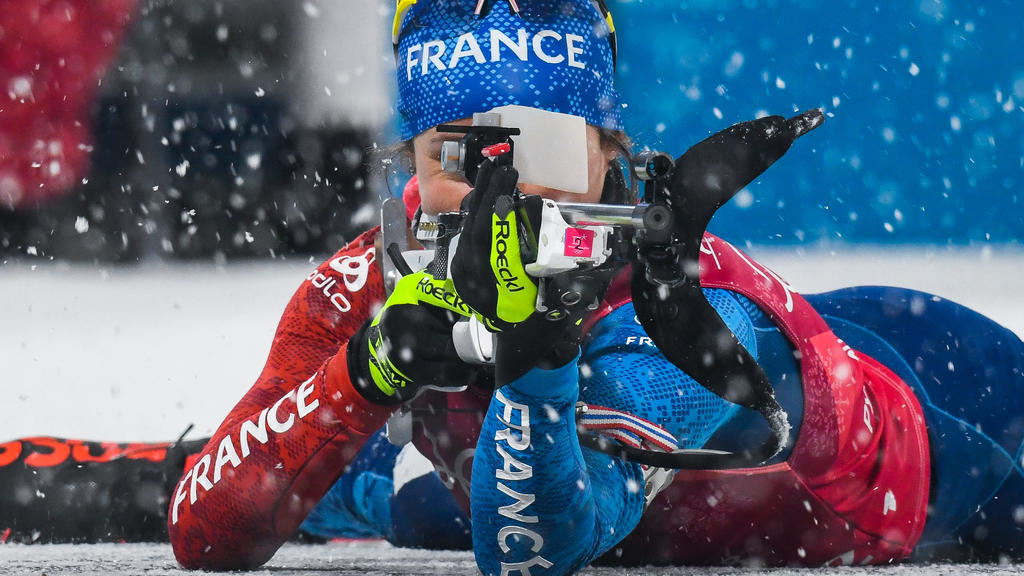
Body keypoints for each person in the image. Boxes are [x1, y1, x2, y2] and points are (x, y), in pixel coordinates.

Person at [3, 1, 1021, 573]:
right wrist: (366, 370)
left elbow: (538, 556)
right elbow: (207, 532)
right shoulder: (372, 272)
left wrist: (537, 363)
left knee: (421, 499)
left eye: (540, 149)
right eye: (464, 151)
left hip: (938, 402)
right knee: (400, 492)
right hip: (568, 492)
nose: (505, 186)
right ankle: (114, 470)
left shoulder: (683, 306)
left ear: (607, 154)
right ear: (413, 162)